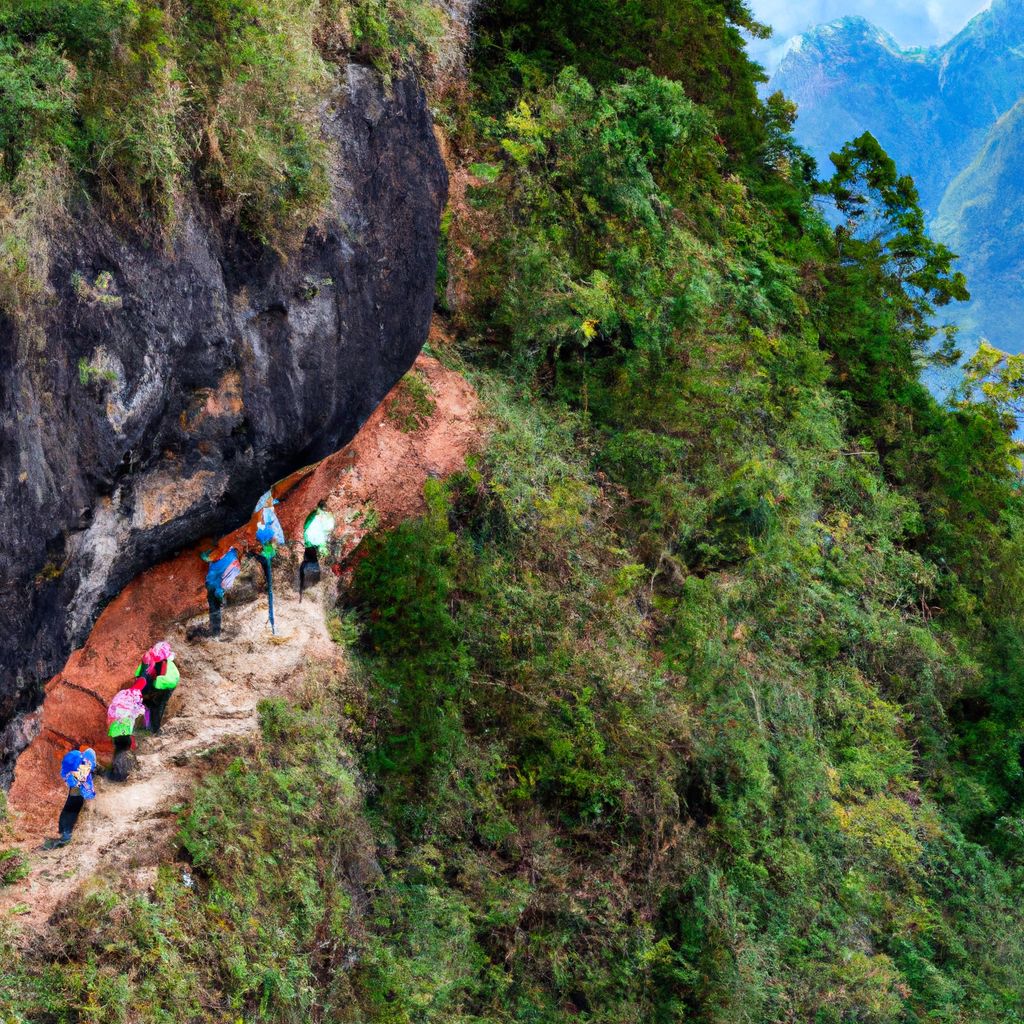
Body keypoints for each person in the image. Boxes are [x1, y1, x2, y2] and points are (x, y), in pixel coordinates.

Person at [45, 747, 97, 848]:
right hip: (78, 792)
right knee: (71, 811)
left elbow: (72, 776)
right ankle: (66, 834)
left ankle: (66, 835)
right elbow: (85, 781)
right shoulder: (86, 763)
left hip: (76, 792)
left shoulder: (79, 760)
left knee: (70, 811)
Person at [135, 641, 180, 735]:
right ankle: (146, 725)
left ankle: (154, 729)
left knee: (158, 707)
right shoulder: (150, 660)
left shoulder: (171, 671)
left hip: (164, 689)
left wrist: (154, 685)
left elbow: (169, 683)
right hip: (153, 685)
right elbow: (139, 674)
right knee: (145, 704)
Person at [107, 687, 147, 781]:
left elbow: (112, 715)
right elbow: (140, 712)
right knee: (122, 753)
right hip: (124, 734)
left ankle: (115, 774)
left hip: (116, 732)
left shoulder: (120, 699)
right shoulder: (133, 703)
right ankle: (120, 775)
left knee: (117, 752)